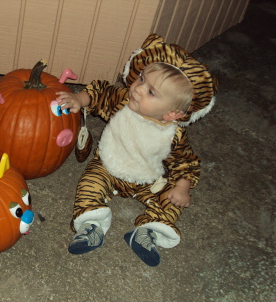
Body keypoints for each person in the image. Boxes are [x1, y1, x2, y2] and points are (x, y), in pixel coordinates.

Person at [56, 34, 218, 267]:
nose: (138, 89)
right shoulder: (123, 102)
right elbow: (100, 92)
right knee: (89, 185)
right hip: (108, 167)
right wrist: (79, 99)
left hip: (148, 179)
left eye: (151, 92)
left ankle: (147, 232)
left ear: (173, 113)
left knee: (170, 201)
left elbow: (185, 162)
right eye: (141, 79)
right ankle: (91, 226)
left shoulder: (173, 134)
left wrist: (182, 186)